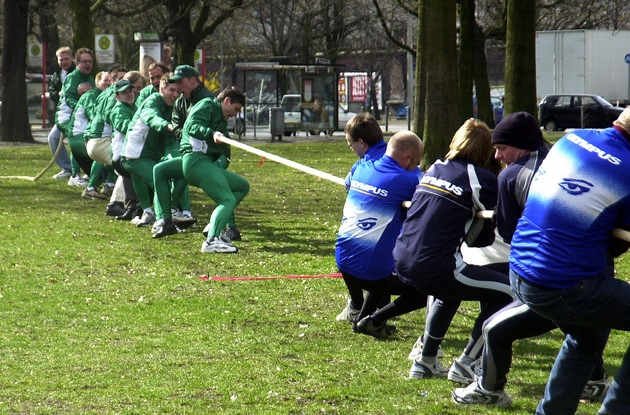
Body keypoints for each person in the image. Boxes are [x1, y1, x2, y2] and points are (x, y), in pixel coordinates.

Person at [452, 112, 611, 407]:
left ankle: (489, 390)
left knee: (495, 329)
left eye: (502, 148)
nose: (497, 156)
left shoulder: (513, 175)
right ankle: (595, 382)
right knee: (583, 331)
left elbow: (512, 233)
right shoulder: (570, 163)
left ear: (521, 144)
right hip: (592, 271)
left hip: (553, 278)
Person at [508, 107, 630, 415]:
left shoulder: (571, 139)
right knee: (586, 330)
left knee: (587, 337)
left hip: (520, 268)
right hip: (562, 284)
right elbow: (618, 242)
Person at [392, 118, 514, 381]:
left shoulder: (435, 166)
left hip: (401, 259)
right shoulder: (481, 179)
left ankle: (425, 361)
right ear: (485, 150)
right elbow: (482, 240)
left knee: (449, 290)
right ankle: (467, 363)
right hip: (435, 267)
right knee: (512, 291)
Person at [336, 130, 428, 339]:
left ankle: (364, 321)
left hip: (343, 261)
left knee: (384, 262)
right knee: (426, 288)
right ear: (406, 158)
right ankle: (376, 320)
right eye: (415, 161)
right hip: (369, 270)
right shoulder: (407, 178)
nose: (416, 165)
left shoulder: (362, 167)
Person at [180, 86, 249, 253]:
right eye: (236, 108)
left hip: (206, 163)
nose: (236, 114)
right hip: (195, 160)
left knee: (242, 186)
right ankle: (211, 241)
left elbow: (224, 146)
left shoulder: (221, 119)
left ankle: (215, 224)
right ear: (226, 101)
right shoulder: (207, 105)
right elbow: (192, 126)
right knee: (227, 200)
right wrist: (211, 133)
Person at [335, 113, 388, 323]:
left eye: (351, 145)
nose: (351, 149)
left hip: (381, 237)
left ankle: (358, 306)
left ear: (362, 143)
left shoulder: (364, 166)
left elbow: (348, 184)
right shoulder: (395, 154)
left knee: (346, 250)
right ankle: (369, 305)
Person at [121, 73, 180, 228]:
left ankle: (148, 213)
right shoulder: (153, 101)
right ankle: (163, 218)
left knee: (140, 180)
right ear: (162, 88)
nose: (175, 95)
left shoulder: (172, 106)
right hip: (134, 155)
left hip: (148, 153)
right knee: (160, 181)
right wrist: (167, 126)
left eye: (178, 92)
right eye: (172, 90)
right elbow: (151, 117)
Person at [53, 48, 95, 181]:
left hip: (82, 117)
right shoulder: (72, 78)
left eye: (90, 61)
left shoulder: (91, 79)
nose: (87, 64)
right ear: (77, 63)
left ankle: (89, 172)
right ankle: (73, 174)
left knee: (88, 140)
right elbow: (69, 99)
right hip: (66, 117)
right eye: (84, 61)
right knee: (74, 139)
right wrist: (82, 106)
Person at [66, 72, 112, 189]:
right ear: (97, 82)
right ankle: (92, 186)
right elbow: (93, 114)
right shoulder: (91, 95)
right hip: (77, 136)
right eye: (105, 80)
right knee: (103, 149)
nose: (108, 83)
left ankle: (106, 182)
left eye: (110, 80)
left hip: (86, 135)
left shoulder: (105, 96)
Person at [48, 46, 76, 180]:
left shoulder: (77, 72)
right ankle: (67, 168)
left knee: (76, 141)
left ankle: (86, 171)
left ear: (72, 58)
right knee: (53, 138)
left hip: (77, 113)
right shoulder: (56, 75)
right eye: (61, 59)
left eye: (66, 59)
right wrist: (58, 95)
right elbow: (51, 90)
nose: (64, 62)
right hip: (63, 115)